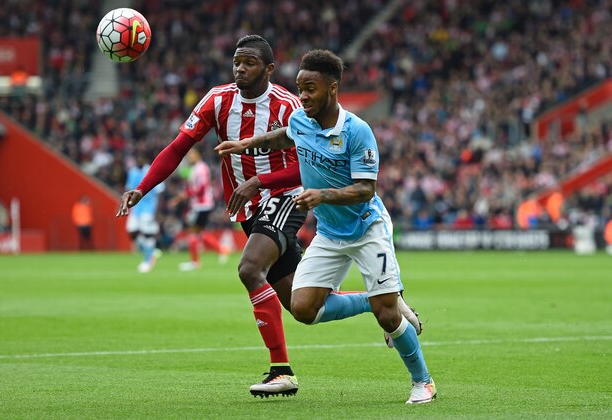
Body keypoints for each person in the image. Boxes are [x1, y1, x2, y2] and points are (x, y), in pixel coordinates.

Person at [116, 35, 376, 398]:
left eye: (249, 62)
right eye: (237, 61)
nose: (240, 68)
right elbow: (178, 148)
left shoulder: (290, 106)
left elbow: (312, 167)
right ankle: (380, 300)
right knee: (303, 306)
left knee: (249, 268)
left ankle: (280, 372)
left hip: (284, 197)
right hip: (249, 208)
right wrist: (142, 188)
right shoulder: (217, 99)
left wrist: (260, 181)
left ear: (269, 69)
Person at [216, 49, 435, 404]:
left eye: (310, 89)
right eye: (300, 88)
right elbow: (285, 136)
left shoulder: (357, 131)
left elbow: (366, 189)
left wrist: (321, 195)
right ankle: (374, 301)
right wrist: (247, 144)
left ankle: (422, 381)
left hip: (367, 229)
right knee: (303, 309)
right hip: (331, 235)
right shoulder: (303, 119)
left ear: (332, 89)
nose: (302, 96)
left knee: (388, 316)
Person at [169, 148, 230, 271]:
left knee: (193, 232)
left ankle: (195, 262)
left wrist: (183, 196)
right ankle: (221, 250)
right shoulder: (195, 168)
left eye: (192, 155)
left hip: (202, 205)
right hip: (199, 205)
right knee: (199, 233)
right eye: (189, 155)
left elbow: (201, 188)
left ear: (198, 155)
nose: (190, 157)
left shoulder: (201, 168)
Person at [124, 154, 164, 273]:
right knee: (131, 231)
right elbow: (129, 189)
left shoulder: (151, 170)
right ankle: (152, 252)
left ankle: (148, 260)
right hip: (135, 209)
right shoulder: (132, 172)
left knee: (147, 234)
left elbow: (160, 191)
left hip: (148, 208)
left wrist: (157, 211)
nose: (139, 159)